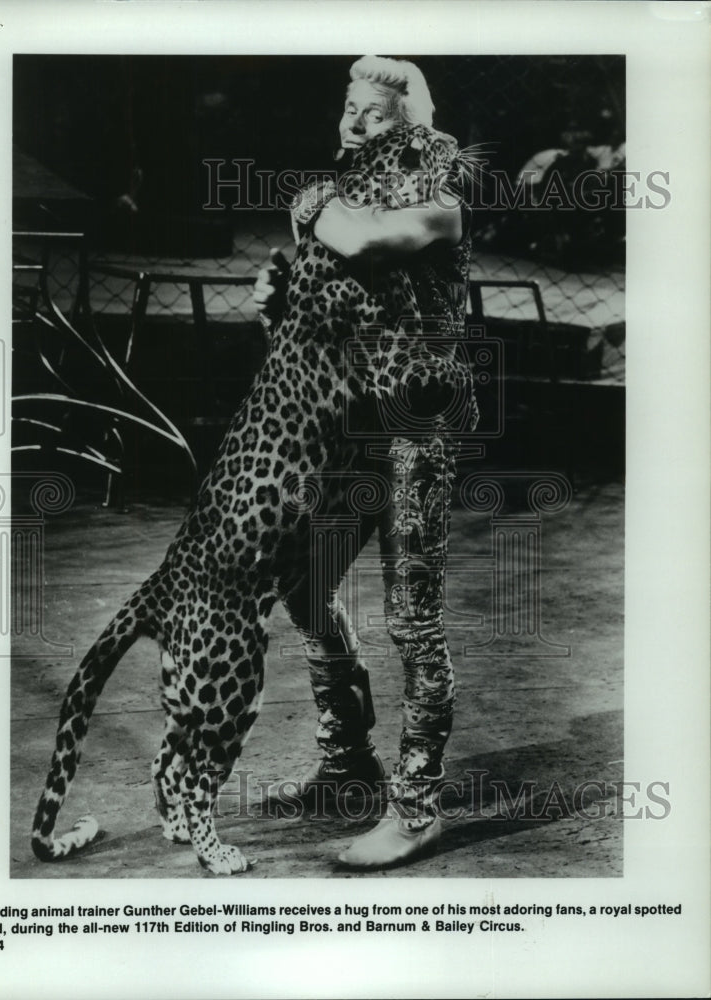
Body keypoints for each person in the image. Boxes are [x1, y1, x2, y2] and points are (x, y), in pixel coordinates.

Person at [254, 55, 475, 868]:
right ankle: (347, 767)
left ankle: (416, 806)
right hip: (349, 426)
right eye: (349, 107)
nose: (354, 122)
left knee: (412, 619)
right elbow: (315, 307)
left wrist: (312, 213)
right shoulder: (331, 198)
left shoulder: (439, 205)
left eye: (375, 114)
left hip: (418, 427)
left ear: (411, 129)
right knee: (305, 583)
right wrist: (277, 293)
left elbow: (361, 238)